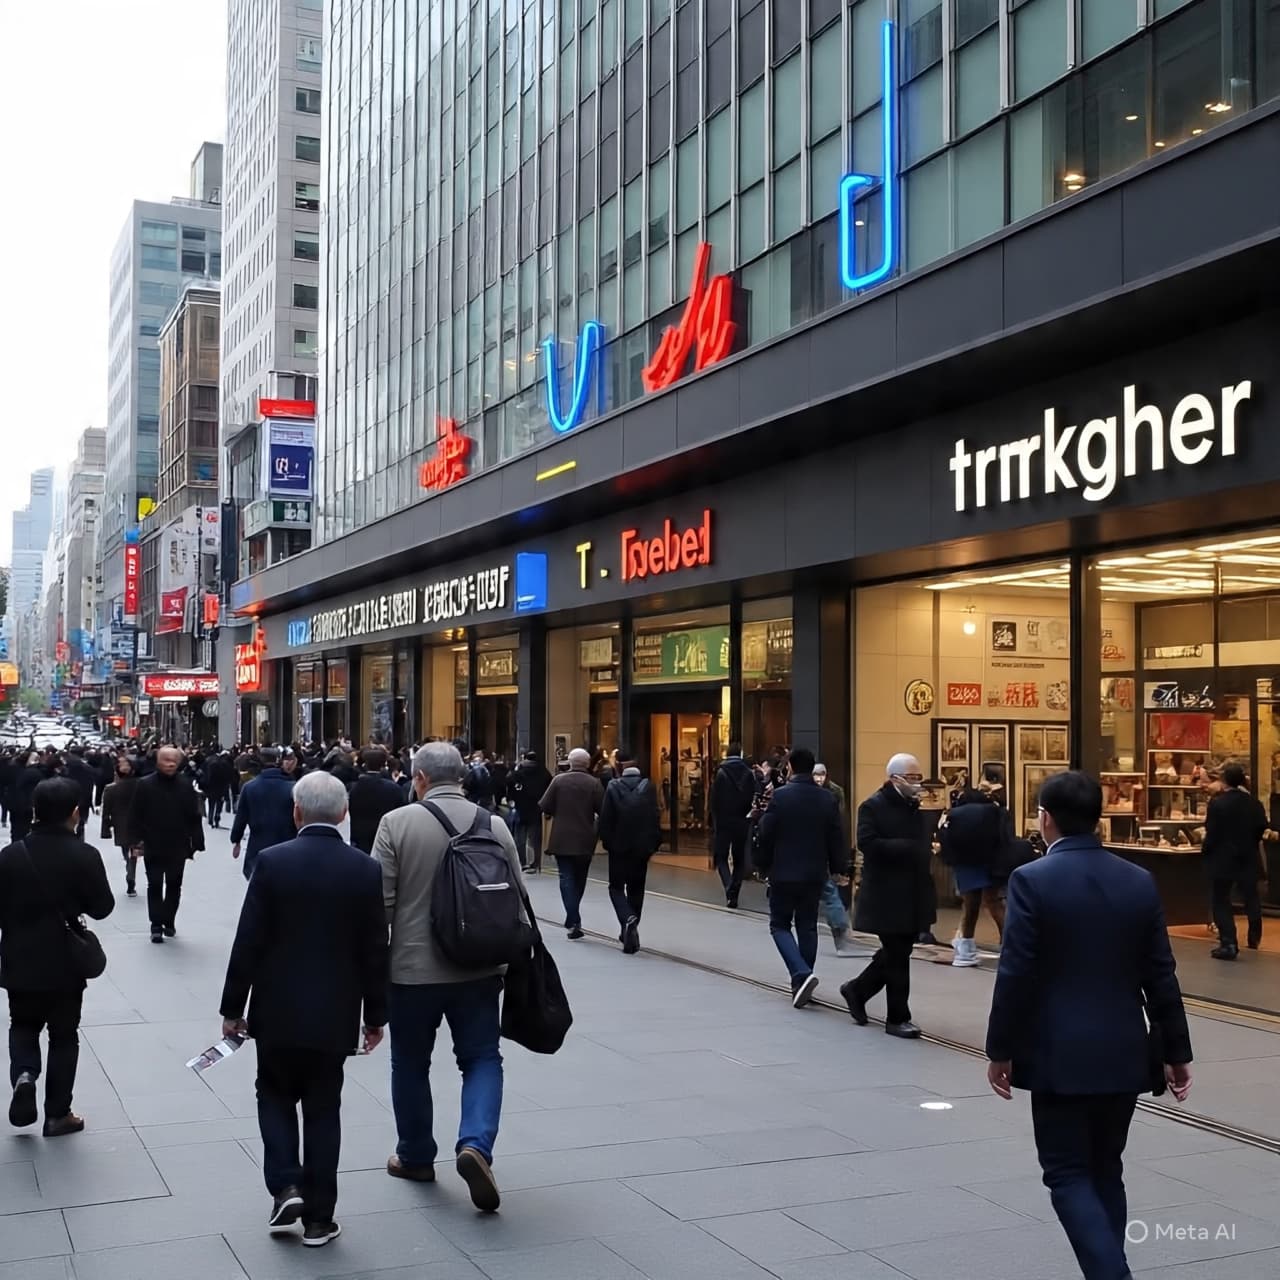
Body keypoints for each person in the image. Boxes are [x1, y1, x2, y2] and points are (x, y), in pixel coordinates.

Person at [985, 770, 1193, 1280]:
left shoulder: (1031, 880)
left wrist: (1000, 1049)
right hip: (1123, 1049)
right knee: (1106, 1168)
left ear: (1046, 818)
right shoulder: (1137, 879)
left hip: (1058, 1052)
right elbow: (1160, 974)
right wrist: (1177, 1051)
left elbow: (1016, 972)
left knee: (1067, 1171)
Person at [219, 771, 388, 1247]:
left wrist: (234, 1007)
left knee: (272, 1094)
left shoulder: (272, 862)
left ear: (297, 811)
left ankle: (285, 1184)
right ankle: (319, 1217)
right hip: (334, 1013)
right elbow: (375, 948)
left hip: (276, 1009)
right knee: (322, 1107)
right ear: (344, 813)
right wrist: (376, 1015)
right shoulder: (363, 868)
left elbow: (247, 940)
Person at [373, 742, 527, 1212]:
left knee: (411, 1063)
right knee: (482, 1058)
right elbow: (517, 898)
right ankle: (475, 1145)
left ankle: (416, 1156)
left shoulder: (396, 823)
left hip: (413, 971)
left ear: (418, 778)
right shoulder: (494, 824)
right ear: (462, 777)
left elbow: (379, 903)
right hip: (479, 967)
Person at [1, 777, 114, 1136]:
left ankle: (24, 1073)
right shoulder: (84, 855)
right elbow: (103, 908)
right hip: (66, 960)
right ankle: (58, 1114)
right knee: (64, 1035)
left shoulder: (11, 855)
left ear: (35, 810)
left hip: (19, 956)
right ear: (75, 814)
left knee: (22, 1025)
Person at [840, 753, 936, 1039]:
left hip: (913, 890)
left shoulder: (916, 806)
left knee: (899, 951)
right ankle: (897, 1017)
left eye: (918, 777)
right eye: (912, 778)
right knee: (897, 955)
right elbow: (868, 843)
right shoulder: (872, 806)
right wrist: (911, 848)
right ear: (894, 778)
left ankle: (857, 989)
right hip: (886, 892)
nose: (917, 783)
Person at [755, 748, 847, 1009]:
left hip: (783, 872)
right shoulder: (826, 799)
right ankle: (802, 979)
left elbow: (766, 834)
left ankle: (801, 974)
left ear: (791, 768)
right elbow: (835, 836)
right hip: (814, 873)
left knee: (779, 925)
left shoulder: (780, 797)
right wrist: (838, 867)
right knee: (807, 926)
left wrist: (762, 865)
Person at [130, 746, 205, 943]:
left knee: (174, 884)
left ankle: (168, 920)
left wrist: (197, 842)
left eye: (174, 760)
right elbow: (135, 815)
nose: (170, 764)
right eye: (166, 760)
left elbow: (194, 816)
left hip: (178, 845)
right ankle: (156, 924)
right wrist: (135, 841)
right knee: (154, 884)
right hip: (153, 843)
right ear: (157, 761)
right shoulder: (144, 785)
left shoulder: (185, 785)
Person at [938, 776, 1013, 968]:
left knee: (969, 907)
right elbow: (1005, 838)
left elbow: (945, 840)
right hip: (991, 861)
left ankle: (966, 949)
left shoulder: (954, 814)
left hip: (965, 863)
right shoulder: (996, 812)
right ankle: (1009, 946)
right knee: (995, 905)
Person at [597, 755, 662, 954]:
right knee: (637, 888)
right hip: (642, 848)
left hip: (619, 847)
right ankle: (631, 926)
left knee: (615, 887)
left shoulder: (613, 787)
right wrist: (654, 844)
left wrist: (607, 842)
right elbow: (655, 816)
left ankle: (627, 919)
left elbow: (606, 818)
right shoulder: (648, 787)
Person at [1201, 762, 1266, 959]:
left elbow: (1212, 833)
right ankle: (1254, 937)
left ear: (1224, 780)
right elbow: (1261, 826)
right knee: (1251, 897)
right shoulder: (1254, 803)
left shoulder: (1218, 803)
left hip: (1223, 858)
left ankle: (1229, 941)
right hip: (1248, 856)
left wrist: (1207, 851)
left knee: (1220, 899)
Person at [539, 747, 605, 939]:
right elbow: (603, 810)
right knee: (580, 879)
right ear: (587, 764)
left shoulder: (559, 781)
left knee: (566, 878)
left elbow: (545, 806)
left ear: (569, 762)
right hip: (585, 839)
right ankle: (573, 916)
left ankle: (573, 919)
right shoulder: (594, 783)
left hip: (562, 838)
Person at [230, 746, 297, 881]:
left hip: (258, 845)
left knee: (259, 887)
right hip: (287, 846)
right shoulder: (293, 788)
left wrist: (236, 840)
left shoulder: (249, 787)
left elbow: (241, 817)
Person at [813, 762, 859, 957]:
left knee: (828, 892)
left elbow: (839, 824)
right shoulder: (825, 795)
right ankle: (841, 935)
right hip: (819, 851)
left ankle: (841, 934)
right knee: (829, 893)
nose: (819, 778)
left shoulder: (833, 793)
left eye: (822, 774)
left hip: (813, 852)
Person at [711, 743, 757, 909]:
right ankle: (734, 891)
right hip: (742, 820)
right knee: (739, 859)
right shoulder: (748, 773)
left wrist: (715, 820)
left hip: (724, 821)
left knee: (721, 857)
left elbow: (714, 801)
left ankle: (728, 886)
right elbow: (753, 795)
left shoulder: (721, 773)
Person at [347, 747, 407, 854]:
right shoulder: (393, 788)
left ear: (365, 764)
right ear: (384, 765)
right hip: (386, 835)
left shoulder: (353, 788)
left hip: (360, 838)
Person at [100, 755, 141, 896]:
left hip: (123, 826)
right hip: (136, 825)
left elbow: (106, 812)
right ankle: (131, 875)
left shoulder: (111, 789)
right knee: (133, 852)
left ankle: (130, 875)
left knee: (128, 852)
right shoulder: (141, 785)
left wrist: (106, 829)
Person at [506, 751, 551, 873]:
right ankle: (536, 863)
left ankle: (522, 862)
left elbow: (509, 788)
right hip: (537, 809)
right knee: (536, 839)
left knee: (520, 837)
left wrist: (511, 800)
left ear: (524, 758)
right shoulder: (544, 773)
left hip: (520, 809)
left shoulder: (516, 774)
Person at [64, 748, 97, 840]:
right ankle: (79, 835)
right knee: (81, 820)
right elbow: (90, 784)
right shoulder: (87, 768)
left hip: (67, 797)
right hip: (83, 798)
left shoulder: (66, 767)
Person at [204, 749, 237, 828]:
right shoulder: (227, 765)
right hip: (222, 787)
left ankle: (210, 819)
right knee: (219, 804)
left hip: (212, 787)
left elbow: (207, 776)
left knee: (211, 803)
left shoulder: (211, 763)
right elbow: (230, 777)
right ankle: (217, 819)